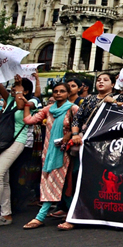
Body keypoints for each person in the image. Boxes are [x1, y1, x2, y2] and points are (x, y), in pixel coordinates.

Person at [22, 83, 79, 230]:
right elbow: (28, 121)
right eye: (56, 91)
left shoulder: (74, 109)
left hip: (65, 152)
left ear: (68, 93)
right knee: (63, 184)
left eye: (62, 91)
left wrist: (71, 134)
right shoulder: (48, 110)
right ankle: (76, 214)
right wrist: (27, 104)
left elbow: (85, 126)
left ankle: (40, 216)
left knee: (53, 181)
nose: (58, 93)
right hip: (48, 152)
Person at [0, 74, 37, 228]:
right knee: (3, 178)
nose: (12, 89)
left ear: (25, 91)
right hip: (1, 141)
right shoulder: (10, 99)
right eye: (12, 88)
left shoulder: (33, 101)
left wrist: (19, 88)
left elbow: (21, 106)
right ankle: (6, 214)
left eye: (16, 88)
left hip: (18, 141)